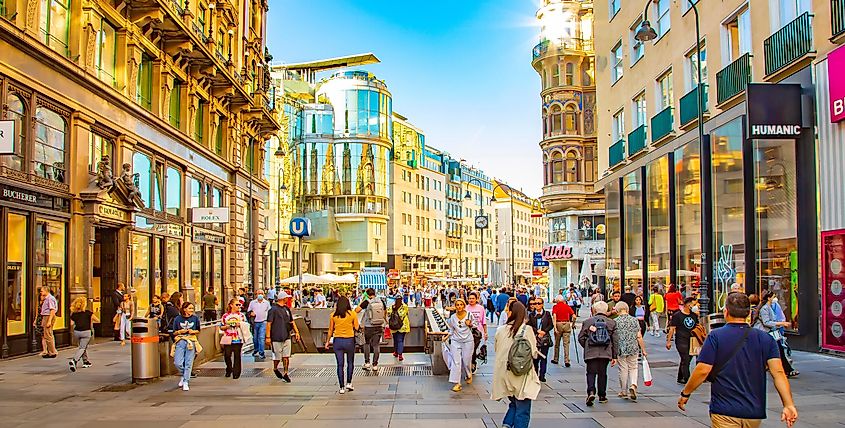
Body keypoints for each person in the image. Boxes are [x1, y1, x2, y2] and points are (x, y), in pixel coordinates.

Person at [678, 292, 798, 428]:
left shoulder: (716, 336)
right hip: (753, 411)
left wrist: (686, 393)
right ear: (748, 314)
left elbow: (702, 370)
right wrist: (788, 404)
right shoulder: (766, 339)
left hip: (724, 410)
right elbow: (778, 373)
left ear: (726, 312)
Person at [492, 301, 540, 428]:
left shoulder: (500, 330)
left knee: (514, 402)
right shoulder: (527, 330)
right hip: (520, 373)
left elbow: (497, 349)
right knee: (523, 408)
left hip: (504, 373)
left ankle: (506, 424)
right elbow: (534, 353)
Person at [578, 301, 618, 406]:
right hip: (605, 352)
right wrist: (614, 355)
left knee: (591, 372)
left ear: (594, 310)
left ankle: (591, 392)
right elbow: (615, 340)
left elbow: (581, 337)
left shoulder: (587, 322)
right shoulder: (611, 323)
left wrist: (587, 346)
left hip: (591, 352)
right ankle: (602, 395)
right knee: (602, 373)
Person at [753, 290, 799, 378]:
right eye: (773, 297)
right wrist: (781, 324)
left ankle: (787, 369)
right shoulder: (765, 308)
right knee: (778, 351)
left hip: (771, 333)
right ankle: (786, 370)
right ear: (769, 298)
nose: (775, 298)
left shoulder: (769, 307)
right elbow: (766, 322)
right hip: (767, 333)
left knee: (779, 350)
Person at [613, 302, 647, 401]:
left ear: (617, 310)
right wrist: (643, 349)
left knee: (623, 369)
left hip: (621, 348)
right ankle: (633, 385)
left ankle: (623, 391)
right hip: (633, 347)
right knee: (633, 367)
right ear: (627, 310)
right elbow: (639, 336)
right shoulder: (634, 320)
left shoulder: (615, 321)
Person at [325, 296, 359, 394]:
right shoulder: (352, 314)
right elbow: (356, 327)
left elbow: (330, 330)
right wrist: (350, 325)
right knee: (350, 362)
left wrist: (327, 341)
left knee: (340, 364)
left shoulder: (333, 315)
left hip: (338, 341)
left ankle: (341, 387)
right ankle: (349, 382)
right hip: (349, 340)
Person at [266, 291, 299, 382]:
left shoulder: (287, 309)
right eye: (286, 298)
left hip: (286, 335)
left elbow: (292, 322)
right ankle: (275, 368)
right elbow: (269, 324)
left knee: (286, 356)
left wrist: (297, 332)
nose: (288, 299)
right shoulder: (273, 310)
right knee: (277, 356)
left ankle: (285, 373)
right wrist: (268, 337)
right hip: (276, 336)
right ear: (283, 298)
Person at [666, 297, 700, 384]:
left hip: (692, 340)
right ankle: (687, 379)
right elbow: (672, 329)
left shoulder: (694, 315)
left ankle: (680, 377)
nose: (694, 306)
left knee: (686, 359)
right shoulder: (677, 315)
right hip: (681, 340)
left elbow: (697, 327)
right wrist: (669, 341)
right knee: (686, 358)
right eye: (693, 304)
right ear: (688, 305)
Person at [447, 298, 477, 392]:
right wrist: (447, 335)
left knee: (466, 360)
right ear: (455, 306)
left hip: (468, 340)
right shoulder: (452, 318)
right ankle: (457, 383)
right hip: (456, 340)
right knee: (456, 362)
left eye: (461, 305)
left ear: (464, 305)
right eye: (457, 305)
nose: (459, 306)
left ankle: (469, 373)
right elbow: (452, 329)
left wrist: (470, 324)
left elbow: (475, 325)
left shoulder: (469, 315)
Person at [171, 302, 201, 391]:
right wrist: (180, 332)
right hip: (180, 340)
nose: (191, 310)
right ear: (184, 309)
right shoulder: (177, 319)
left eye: (192, 308)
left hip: (191, 341)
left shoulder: (195, 318)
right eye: (189, 308)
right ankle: (184, 375)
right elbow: (174, 332)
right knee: (178, 362)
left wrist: (193, 331)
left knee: (189, 362)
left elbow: (198, 330)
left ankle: (186, 381)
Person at [355, 288, 386, 371]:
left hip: (369, 326)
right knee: (376, 345)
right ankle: (375, 364)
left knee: (367, 343)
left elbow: (356, 310)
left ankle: (367, 363)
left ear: (367, 294)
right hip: (379, 325)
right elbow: (384, 312)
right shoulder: (381, 301)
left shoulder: (367, 301)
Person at [220, 299, 249, 379]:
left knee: (237, 355)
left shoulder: (241, 316)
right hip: (228, 337)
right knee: (227, 355)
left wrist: (240, 324)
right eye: (237, 305)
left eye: (239, 305)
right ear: (231, 305)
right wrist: (227, 326)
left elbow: (246, 325)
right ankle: (229, 368)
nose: (238, 306)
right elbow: (221, 326)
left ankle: (236, 373)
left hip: (238, 337)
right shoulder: (225, 316)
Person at [69, 297, 98, 371]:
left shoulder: (74, 314)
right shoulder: (88, 313)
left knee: (82, 346)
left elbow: (71, 324)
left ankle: (86, 362)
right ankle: (74, 360)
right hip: (86, 332)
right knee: (82, 348)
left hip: (77, 332)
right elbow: (97, 320)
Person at [528, 297, 553, 382]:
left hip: (545, 338)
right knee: (535, 358)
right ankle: (535, 374)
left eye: (539, 303)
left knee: (544, 357)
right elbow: (529, 325)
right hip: (535, 338)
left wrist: (544, 331)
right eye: (535, 303)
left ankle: (542, 375)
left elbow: (551, 325)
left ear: (542, 304)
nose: (537, 305)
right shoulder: (531, 315)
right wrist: (537, 331)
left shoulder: (547, 314)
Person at [465, 292, 488, 370]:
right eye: (470, 298)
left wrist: (485, 332)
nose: (471, 300)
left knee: (474, 348)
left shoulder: (480, 308)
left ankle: (473, 362)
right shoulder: (465, 308)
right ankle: (470, 362)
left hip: (478, 332)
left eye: (473, 298)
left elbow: (483, 321)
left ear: (476, 299)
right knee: (469, 349)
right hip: (467, 331)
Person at [551, 295, 575, 367]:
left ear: (557, 300)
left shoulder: (555, 307)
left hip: (558, 324)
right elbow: (574, 316)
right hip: (567, 323)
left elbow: (554, 316)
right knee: (566, 344)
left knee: (557, 343)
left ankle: (556, 359)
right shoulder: (567, 306)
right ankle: (567, 360)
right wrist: (573, 324)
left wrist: (555, 327)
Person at [247, 291, 271, 359]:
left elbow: (269, 312)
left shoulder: (266, 303)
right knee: (255, 338)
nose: (260, 295)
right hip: (254, 322)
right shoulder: (252, 303)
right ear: (256, 295)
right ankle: (256, 349)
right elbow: (248, 312)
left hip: (263, 322)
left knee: (261, 337)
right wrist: (251, 314)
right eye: (258, 294)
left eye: (261, 294)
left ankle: (261, 352)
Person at [37, 286, 58, 358]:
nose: (41, 292)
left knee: (48, 335)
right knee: (47, 334)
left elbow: (52, 310)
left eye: (42, 291)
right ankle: (51, 351)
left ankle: (52, 352)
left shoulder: (50, 299)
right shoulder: (46, 299)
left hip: (48, 316)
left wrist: (49, 321)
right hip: (45, 316)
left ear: (46, 291)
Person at [387, 297, 410, 361]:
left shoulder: (392, 307)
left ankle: (396, 352)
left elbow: (388, 314)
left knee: (395, 340)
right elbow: (406, 313)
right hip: (403, 326)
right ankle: (400, 355)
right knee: (401, 340)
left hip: (394, 326)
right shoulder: (404, 306)